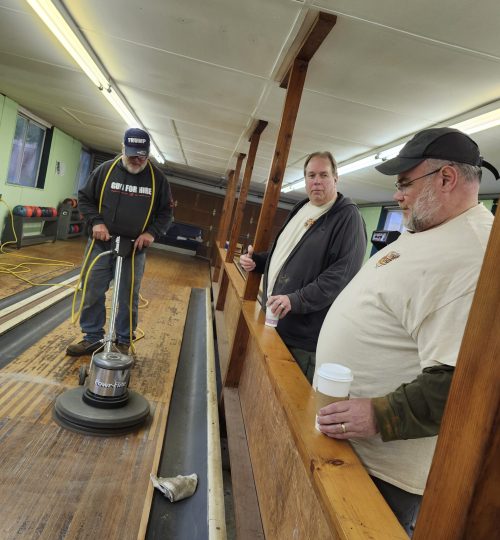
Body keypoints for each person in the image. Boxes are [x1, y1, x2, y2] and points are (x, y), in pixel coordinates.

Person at [314, 127, 498, 536]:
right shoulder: (428, 229)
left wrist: (381, 414)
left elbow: (467, 380)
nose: (398, 195)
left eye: (404, 184)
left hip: (385, 469)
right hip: (348, 439)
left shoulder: (475, 253)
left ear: (446, 178)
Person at [239, 151, 367, 383]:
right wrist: (258, 261)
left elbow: (340, 277)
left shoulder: (347, 217)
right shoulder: (301, 207)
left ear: (335, 178)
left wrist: (295, 300)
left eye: (323, 175)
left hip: (301, 337)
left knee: (287, 398)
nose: (316, 181)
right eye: (311, 175)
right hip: (275, 319)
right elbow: (285, 254)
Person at [66, 128, 173, 356]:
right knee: (92, 290)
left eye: (142, 155)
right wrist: (96, 222)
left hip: (134, 248)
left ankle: (123, 341)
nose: (138, 160)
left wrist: (151, 233)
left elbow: (166, 213)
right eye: (133, 154)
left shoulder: (157, 179)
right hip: (101, 244)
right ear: (123, 148)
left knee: (126, 297)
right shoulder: (105, 171)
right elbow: (85, 198)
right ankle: (92, 337)